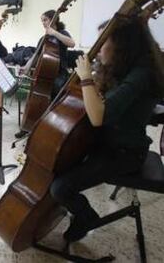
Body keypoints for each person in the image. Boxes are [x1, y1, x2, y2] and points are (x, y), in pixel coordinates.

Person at [50, 17, 164, 243]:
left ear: (123, 46)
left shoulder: (141, 74)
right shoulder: (122, 68)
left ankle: (86, 217)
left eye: (103, 43)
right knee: (56, 164)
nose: (98, 48)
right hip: (107, 142)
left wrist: (85, 78)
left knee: (60, 188)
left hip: (125, 152)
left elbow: (98, 116)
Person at [15, 10, 75, 138]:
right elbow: (36, 56)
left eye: (45, 20)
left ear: (54, 19)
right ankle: (27, 126)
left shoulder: (62, 33)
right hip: (45, 74)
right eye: (42, 20)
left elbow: (72, 43)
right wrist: (25, 67)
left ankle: (50, 129)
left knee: (53, 98)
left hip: (60, 74)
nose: (43, 23)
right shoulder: (43, 38)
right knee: (35, 98)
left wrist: (54, 33)